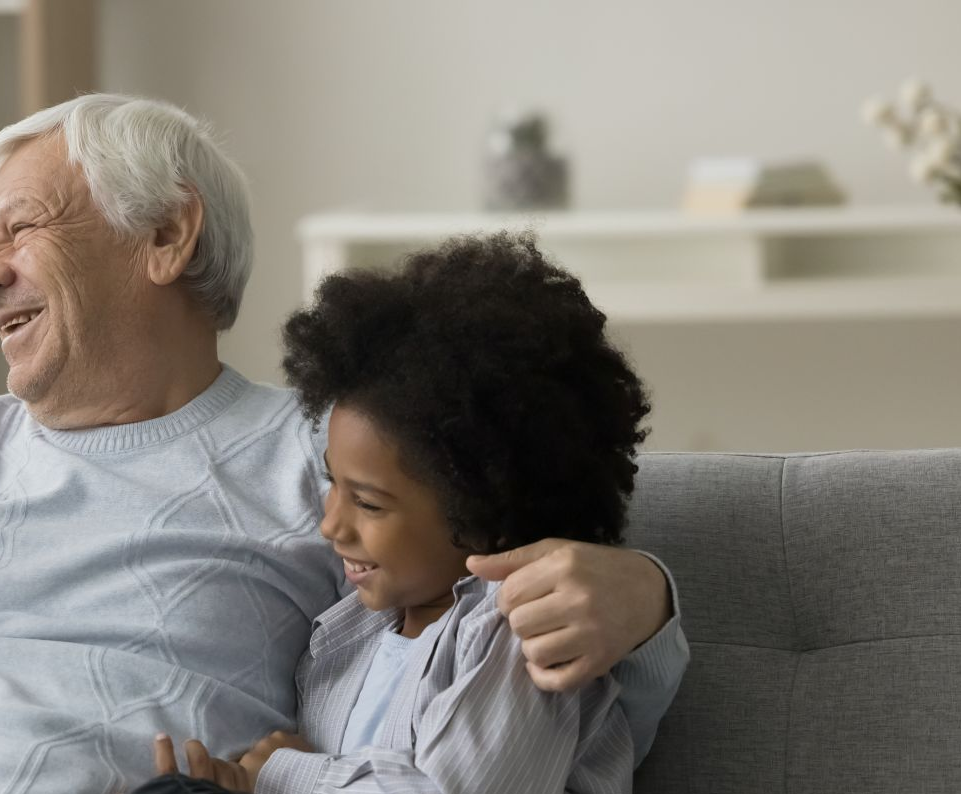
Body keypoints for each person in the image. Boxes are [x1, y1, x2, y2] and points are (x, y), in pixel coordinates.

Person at [0, 94, 687, 792]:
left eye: (17, 228)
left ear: (167, 234)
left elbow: (484, 669)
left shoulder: (328, 459)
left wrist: (643, 593)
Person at [146, 232, 675, 793]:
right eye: (332, 483)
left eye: (368, 502)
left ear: (483, 510)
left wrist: (282, 774)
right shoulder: (349, 632)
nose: (331, 524)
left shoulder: (517, 629)